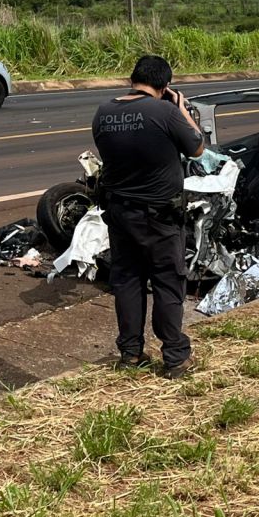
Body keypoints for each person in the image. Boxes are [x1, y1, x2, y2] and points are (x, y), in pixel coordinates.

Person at [92, 55, 205, 379]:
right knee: (168, 282)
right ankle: (175, 357)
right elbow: (197, 147)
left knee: (127, 281)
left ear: (133, 79)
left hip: (120, 213)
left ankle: (130, 353)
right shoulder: (165, 112)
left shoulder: (103, 112)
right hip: (159, 216)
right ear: (165, 85)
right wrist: (181, 107)